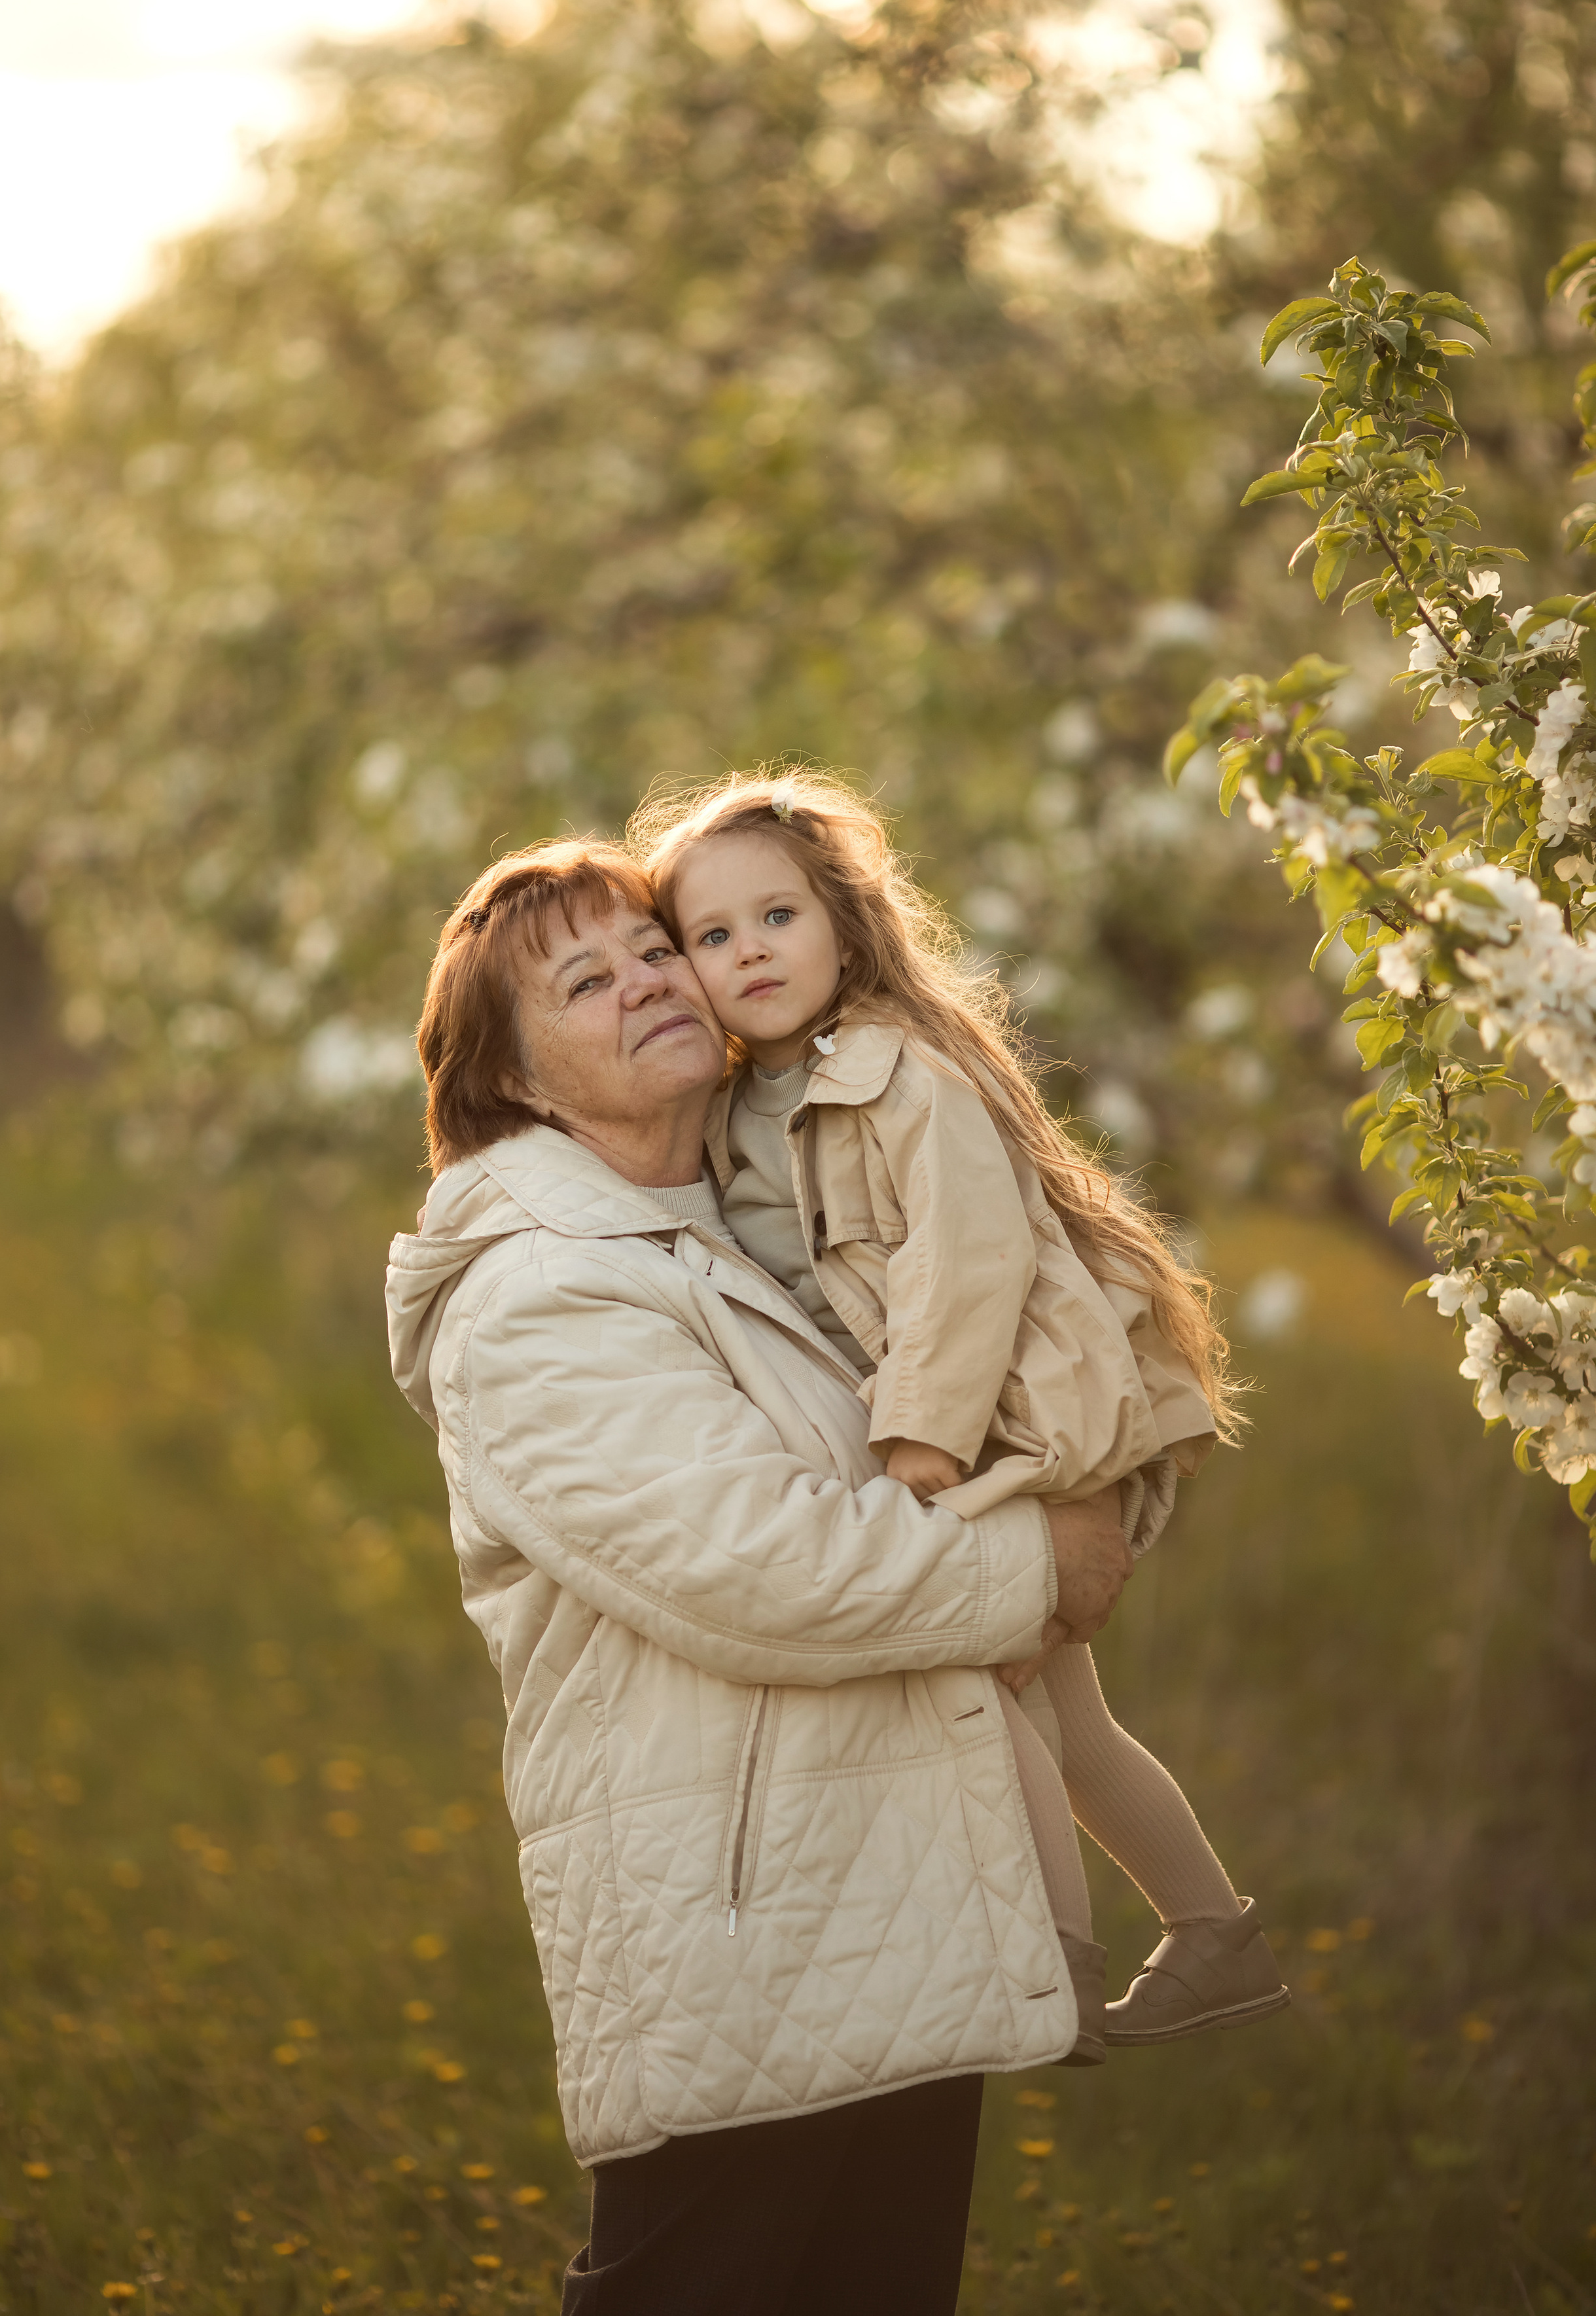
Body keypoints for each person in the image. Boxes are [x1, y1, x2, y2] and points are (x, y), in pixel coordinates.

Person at [385, 838, 1133, 2316]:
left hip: (876, 1893)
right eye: (582, 982)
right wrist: (1029, 1565)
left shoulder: (729, 1227)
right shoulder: (539, 1295)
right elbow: (766, 1567)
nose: (646, 981)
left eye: (651, 949)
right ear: (520, 1085)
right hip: (739, 1934)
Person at [635, 768, 1290, 2056]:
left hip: (1003, 1427)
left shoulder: (891, 1072)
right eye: (711, 937)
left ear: (843, 919)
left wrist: (920, 1448)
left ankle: (1047, 1968)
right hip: (955, 1437)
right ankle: (1213, 1934)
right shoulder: (731, 1109)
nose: (748, 952)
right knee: (1066, 1713)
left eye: (776, 916)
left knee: (988, 1693)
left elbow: (963, 1260)